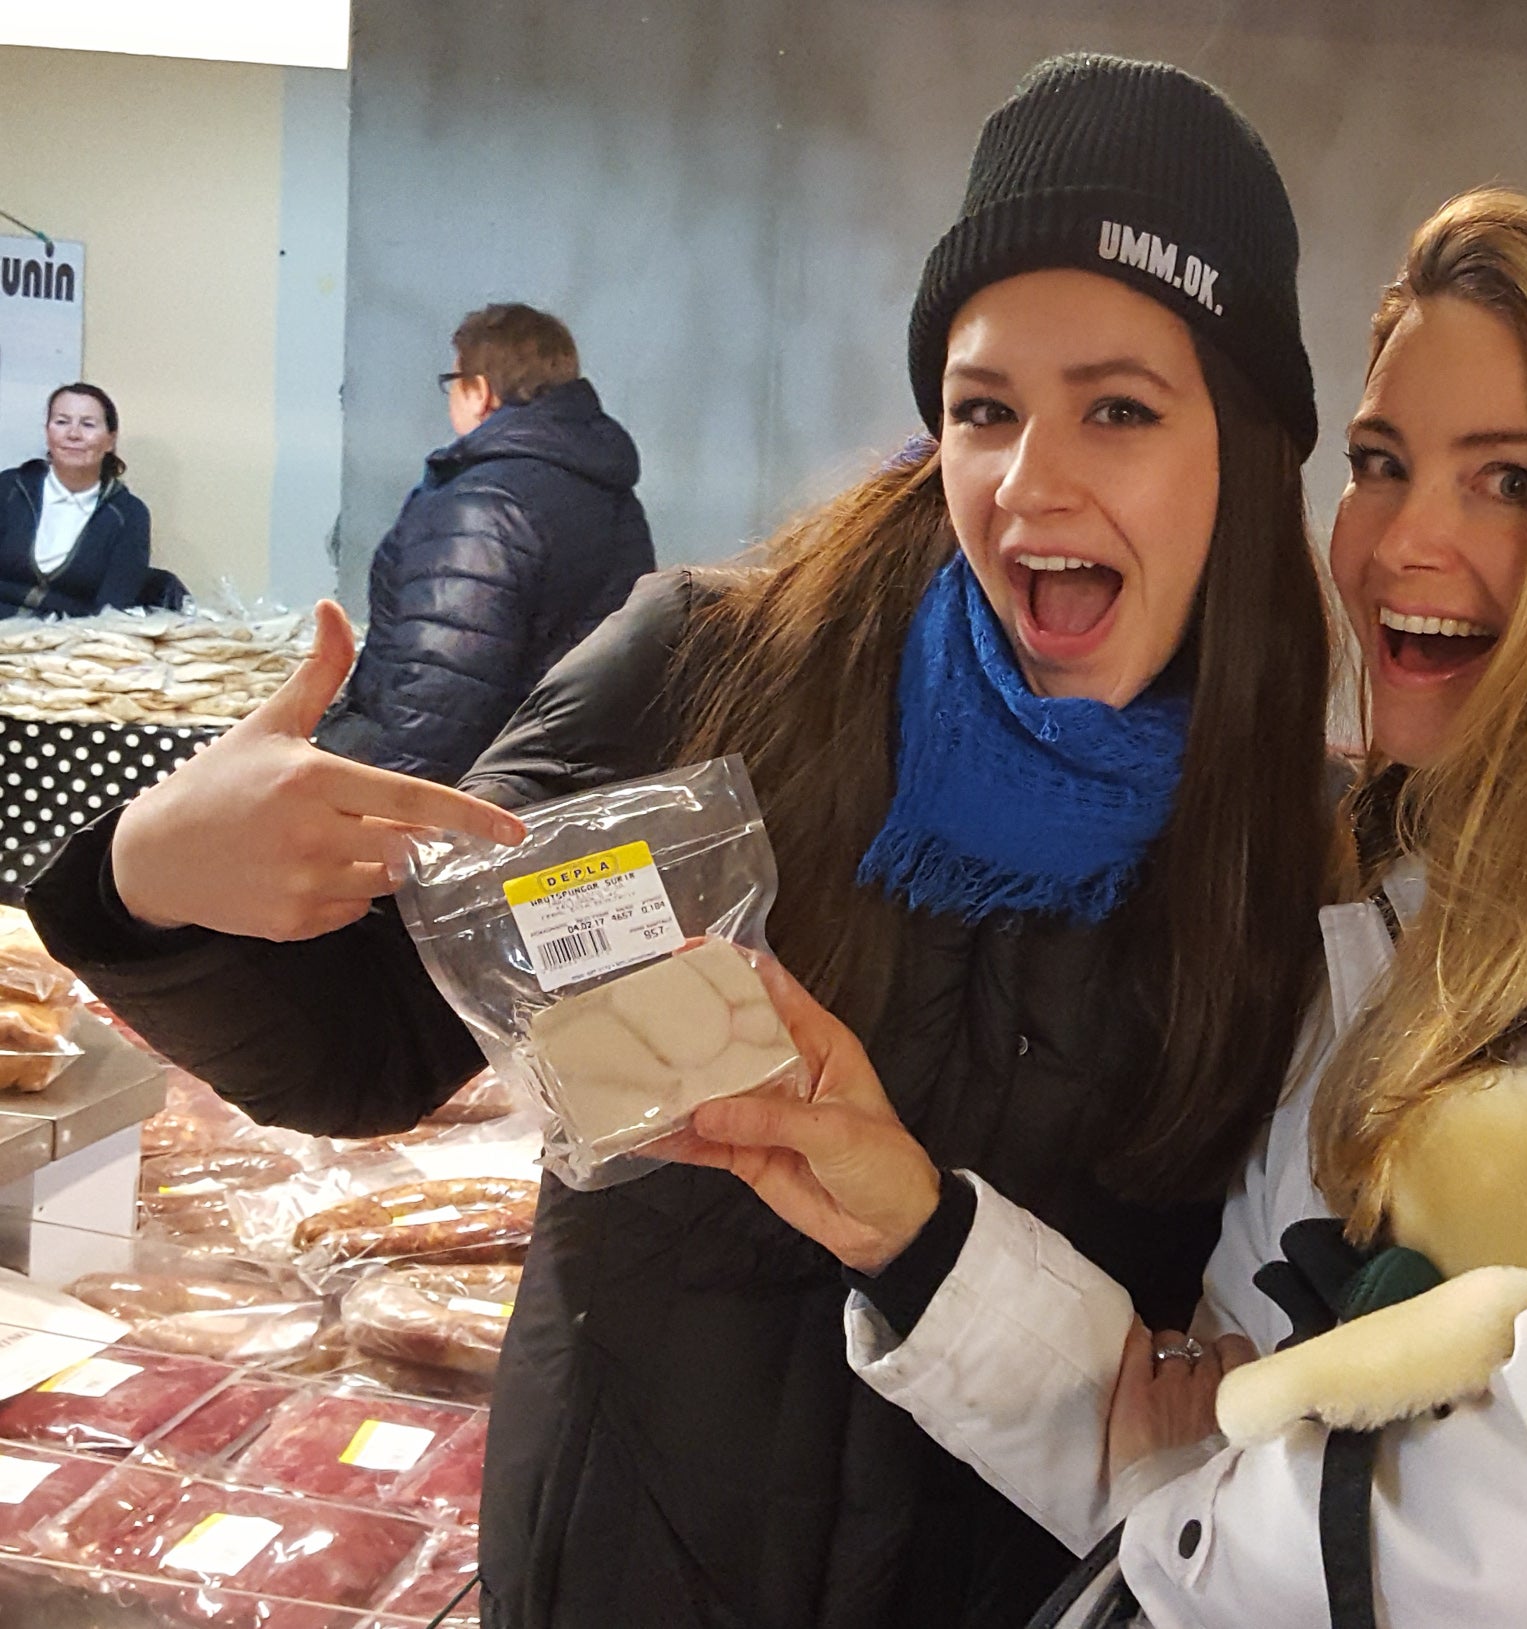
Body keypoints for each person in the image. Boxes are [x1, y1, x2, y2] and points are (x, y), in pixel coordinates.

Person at [23, 56, 1335, 1629]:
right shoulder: (708, 674)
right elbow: (371, 1044)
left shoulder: (1303, 856)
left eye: (1119, 409)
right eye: (984, 408)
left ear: (1245, 446)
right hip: (631, 1571)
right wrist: (146, 877)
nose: (1028, 481)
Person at [675, 189, 1527, 1628]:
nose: (1402, 543)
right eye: (1381, 464)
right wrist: (915, 1235)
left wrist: (1174, 1548)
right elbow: (1230, 1400)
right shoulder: (1396, 881)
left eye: (1511, 480)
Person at [314, 302, 655, 785]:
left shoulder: (483, 503)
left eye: (453, 383)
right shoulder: (606, 488)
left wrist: (393, 806)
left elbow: (442, 687)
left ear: (479, 392)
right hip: (555, 779)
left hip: (477, 785)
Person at [0, 383, 151, 616]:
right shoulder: (9, 488)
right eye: (62, 422)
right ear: (47, 432)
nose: (73, 434)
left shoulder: (129, 515)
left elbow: (112, 611)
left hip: (72, 635)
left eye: (88, 424)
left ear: (110, 441)